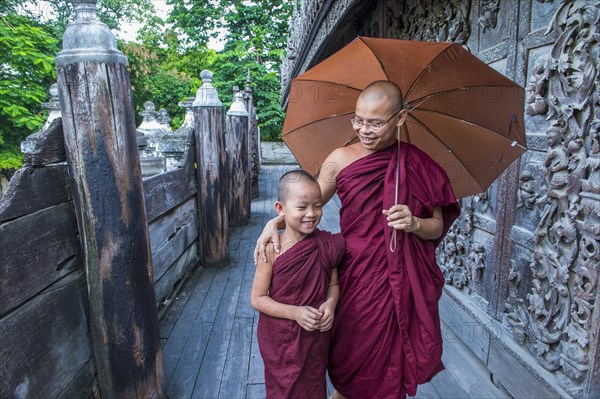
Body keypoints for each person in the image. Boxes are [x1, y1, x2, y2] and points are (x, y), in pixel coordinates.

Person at [255, 81, 461, 398]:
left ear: (400, 119)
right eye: (359, 120)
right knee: (353, 359)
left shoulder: (418, 164)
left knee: (388, 365)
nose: (364, 130)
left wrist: (414, 222)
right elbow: (311, 202)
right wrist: (275, 222)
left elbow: (435, 226)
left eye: (376, 123)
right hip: (353, 272)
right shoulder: (340, 158)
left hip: (399, 279)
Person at [251, 170, 345, 398]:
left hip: (314, 333)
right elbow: (257, 299)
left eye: (318, 206)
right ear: (280, 209)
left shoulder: (326, 245)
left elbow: (333, 284)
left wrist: (331, 305)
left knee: (313, 385)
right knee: (284, 389)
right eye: (302, 207)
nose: (311, 214)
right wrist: (295, 313)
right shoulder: (272, 249)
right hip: (281, 337)